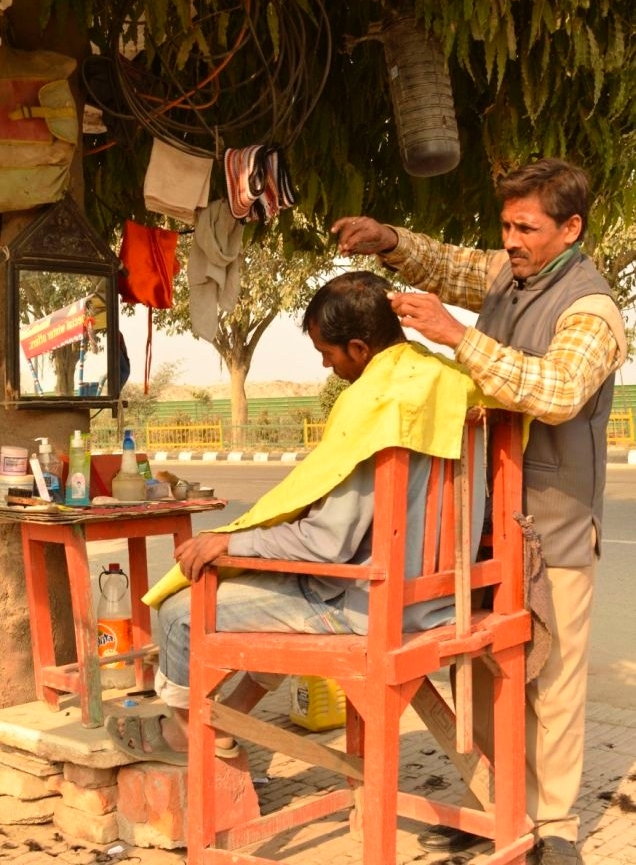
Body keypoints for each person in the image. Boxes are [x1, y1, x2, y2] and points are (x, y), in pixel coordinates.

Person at [331, 158, 627, 865]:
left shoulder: (593, 310)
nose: (512, 239)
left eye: (527, 227)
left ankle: (554, 826)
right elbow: (447, 261)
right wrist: (386, 238)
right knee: (491, 674)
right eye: (507, 225)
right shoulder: (508, 272)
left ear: (571, 228)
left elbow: (554, 391)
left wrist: (458, 336)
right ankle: (507, 813)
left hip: (553, 525)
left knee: (553, 685)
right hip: (486, 521)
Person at [106, 271, 494, 764]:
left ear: (358, 347)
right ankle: (234, 716)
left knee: (181, 612)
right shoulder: (455, 382)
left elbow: (326, 544)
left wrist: (230, 545)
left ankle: (195, 736)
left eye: (329, 356)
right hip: (448, 597)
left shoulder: (375, 404)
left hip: (373, 608)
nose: (329, 368)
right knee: (279, 588)